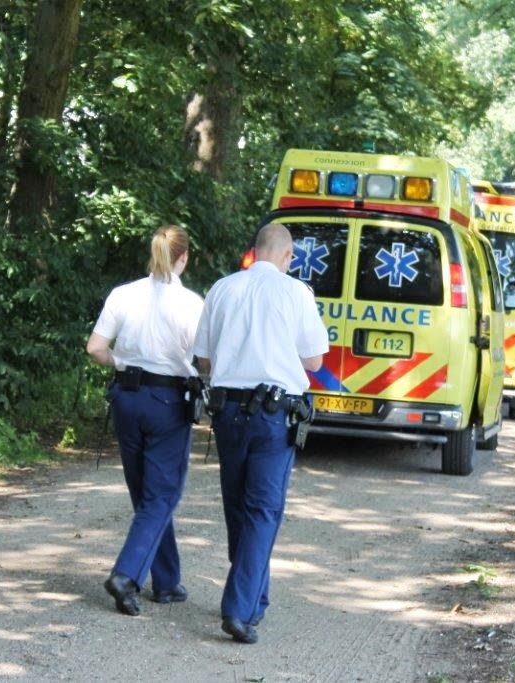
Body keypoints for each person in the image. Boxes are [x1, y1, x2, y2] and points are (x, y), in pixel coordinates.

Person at [192, 223, 329, 644]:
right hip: (274, 415)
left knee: (238, 505)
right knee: (263, 510)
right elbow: (314, 360)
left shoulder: (222, 288)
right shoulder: (296, 292)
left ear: (254, 251)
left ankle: (254, 598)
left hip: (228, 411)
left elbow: (203, 359)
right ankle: (238, 609)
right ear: (288, 256)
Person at [86, 225, 204, 617]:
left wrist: (121, 363)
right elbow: (206, 360)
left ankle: (167, 582)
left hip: (126, 397)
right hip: (167, 402)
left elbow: (95, 348)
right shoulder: (191, 304)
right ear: (184, 257)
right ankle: (126, 575)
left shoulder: (123, 294)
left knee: (146, 493)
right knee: (162, 495)